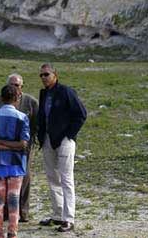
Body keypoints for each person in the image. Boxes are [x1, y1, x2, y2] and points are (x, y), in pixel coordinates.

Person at [37, 63, 87, 233]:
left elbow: (81, 114)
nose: (44, 78)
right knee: (52, 178)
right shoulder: (44, 93)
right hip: (48, 139)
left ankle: (69, 218)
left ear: (55, 74)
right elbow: (43, 116)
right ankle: (58, 214)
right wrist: (41, 136)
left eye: (46, 74)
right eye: (41, 75)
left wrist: (69, 135)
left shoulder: (65, 91)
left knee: (66, 178)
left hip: (64, 140)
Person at [0, 73, 38, 222]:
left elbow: (36, 123)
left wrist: (32, 141)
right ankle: (5, 212)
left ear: (22, 87)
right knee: (2, 178)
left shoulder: (31, 101)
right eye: (11, 85)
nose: (14, 88)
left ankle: (23, 211)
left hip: (23, 146)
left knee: (24, 177)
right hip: (1, 148)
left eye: (17, 85)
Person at [0, 84, 30, 238]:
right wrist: (12, 145)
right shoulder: (23, 117)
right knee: (14, 201)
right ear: (17, 98)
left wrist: (0, 143)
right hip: (16, 165)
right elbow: (23, 144)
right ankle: (12, 232)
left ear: (2, 98)